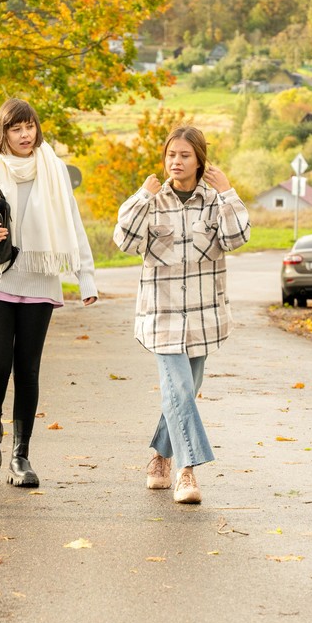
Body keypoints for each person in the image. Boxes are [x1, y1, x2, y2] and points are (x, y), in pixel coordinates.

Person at [0, 98, 97, 488]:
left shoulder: (54, 170)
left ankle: (21, 456)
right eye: (16, 128)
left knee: (28, 370)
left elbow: (72, 223)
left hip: (41, 276)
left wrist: (86, 279)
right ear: (4, 132)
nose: (25, 135)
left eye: (29, 126)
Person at [113, 125, 250, 504]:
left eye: (185, 155)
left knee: (184, 392)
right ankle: (187, 473)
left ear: (199, 159)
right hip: (162, 315)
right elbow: (123, 240)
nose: (176, 161)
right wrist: (143, 195)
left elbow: (237, 238)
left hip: (203, 318)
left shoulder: (215, 200)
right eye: (171, 154)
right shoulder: (153, 199)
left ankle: (159, 457)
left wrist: (228, 193)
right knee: (180, 390)